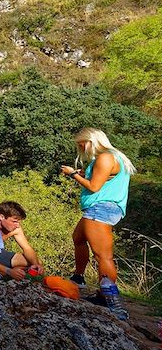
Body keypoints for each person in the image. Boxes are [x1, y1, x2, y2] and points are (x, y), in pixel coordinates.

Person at [61, 128, 135, 320]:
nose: (81, 148)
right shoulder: (111, 157)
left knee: (103, 256)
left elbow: (94, 187)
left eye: (81, 144)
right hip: (99, 208)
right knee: (78, 238)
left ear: (91, 141)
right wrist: (82, 175)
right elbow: (99, 182)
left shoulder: (105, 158)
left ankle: (111, 302)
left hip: (100, 209)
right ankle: (79, 278)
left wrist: (72, 175)